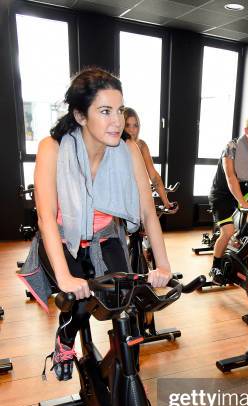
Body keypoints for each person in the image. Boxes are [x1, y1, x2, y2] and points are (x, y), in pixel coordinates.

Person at [21, 68, 172, 381]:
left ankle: (125, 372)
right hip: (64, 239)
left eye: (118, 110)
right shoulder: (53, 148)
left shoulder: (128, 149)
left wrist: (164, 266)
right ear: (80, 115)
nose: (116, 121)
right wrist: (64, 277)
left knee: (126, 301)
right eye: (104, 111)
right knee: (80, 301)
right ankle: (65, 340)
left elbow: (147, 211)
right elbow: (45, 217)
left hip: (105, 237)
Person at [208, 113, 248, 285]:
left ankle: (244, 237)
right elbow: (230, 177)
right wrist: (242, 203)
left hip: (243, 189)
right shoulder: (232, 147)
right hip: (221, 194)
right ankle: (215, 266)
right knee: (227, 232)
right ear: (246, 130)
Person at [122, 107, 175, 210]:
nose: (131, 130)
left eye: (135, 126)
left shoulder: (142, 145)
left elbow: (153, 175)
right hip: (119, 198)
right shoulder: (115, 145)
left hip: (139, 198)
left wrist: (166, 202)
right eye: (127, 125)